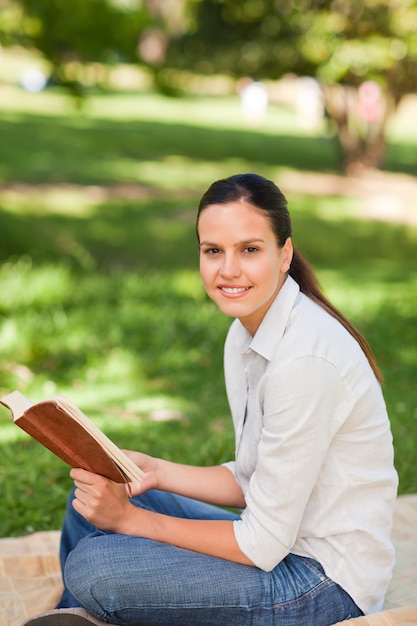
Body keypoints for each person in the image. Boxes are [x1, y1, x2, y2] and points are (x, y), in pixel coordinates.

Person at [25, 173, 398, 626]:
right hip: (279, 546)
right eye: (213, 251)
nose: (228, 270)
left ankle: (85, 610)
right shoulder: (244, 334)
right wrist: (155, 473)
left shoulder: (305, 360)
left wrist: (132, 522)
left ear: (285, 255)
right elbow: (252, 480)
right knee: (89, 499)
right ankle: (78, 617)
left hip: (321, 584)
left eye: (250, 249)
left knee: (95, 564)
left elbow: (261, 543)